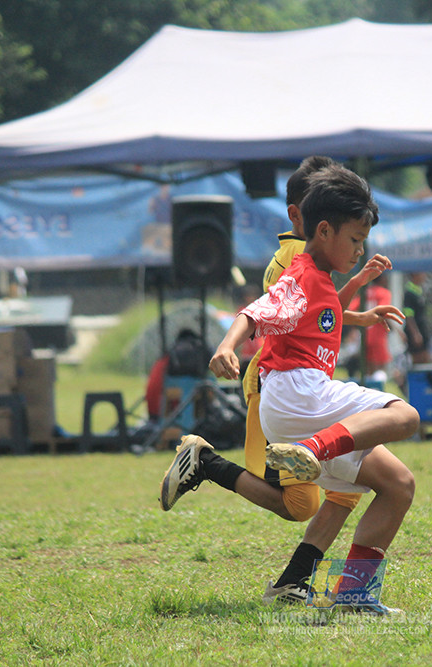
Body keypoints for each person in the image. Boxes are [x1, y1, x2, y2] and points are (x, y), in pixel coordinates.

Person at [160, 158, 407, 611]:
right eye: (355, 239)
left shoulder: (319, 273)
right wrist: (226, 347)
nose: (358, 248)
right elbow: (259, 309)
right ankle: (277, 454)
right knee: (401, 417)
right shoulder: (299, 265)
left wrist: (358, 288)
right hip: (293, 393)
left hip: (295, 397)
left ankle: (344, 592)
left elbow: (321, 314)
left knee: (392, 484)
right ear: (320, 226)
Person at [402, 272, 431, 364]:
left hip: (422, 329)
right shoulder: (409, 293)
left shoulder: (419, 291)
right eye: (421, 274)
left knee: (426, 359)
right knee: (418, 359)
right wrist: (415, 333)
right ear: (415, 275)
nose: (424, 276)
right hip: (415, 332)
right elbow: (408, 315)